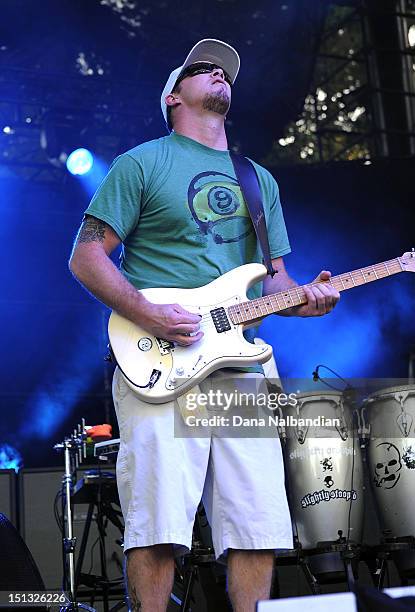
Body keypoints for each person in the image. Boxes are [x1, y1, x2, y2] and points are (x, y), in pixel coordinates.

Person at [69, 39, 340, 612]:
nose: (220, 72)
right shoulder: (141, 163)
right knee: (159, 521)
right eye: (202, 68)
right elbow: (86, 258)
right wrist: (149, 313)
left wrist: (306, 298)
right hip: (161, 359)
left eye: (226, 70)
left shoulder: (257, 178)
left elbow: (273, 280)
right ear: (173, 96)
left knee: (256, 521)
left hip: (242, 368)